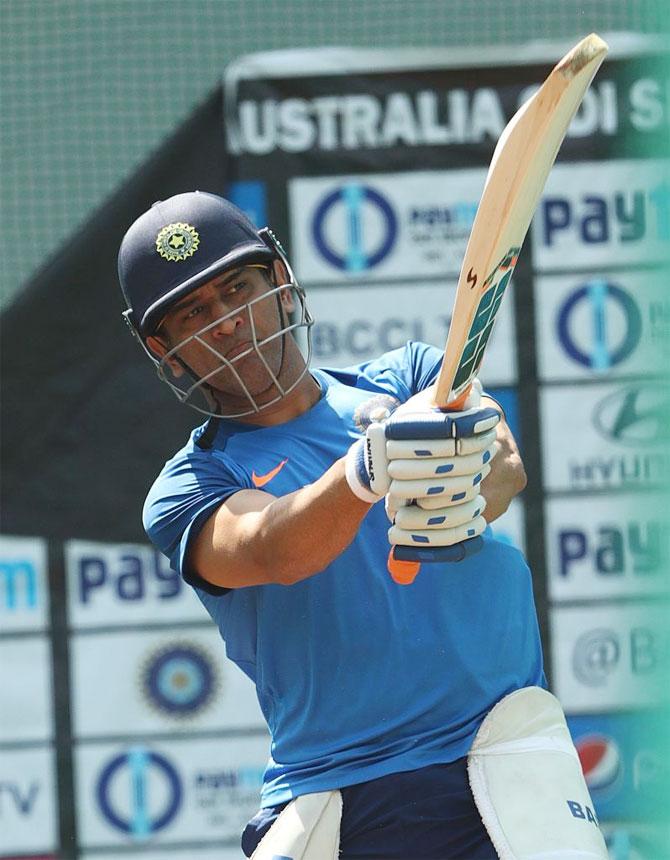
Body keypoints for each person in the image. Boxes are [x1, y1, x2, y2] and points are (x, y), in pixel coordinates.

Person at [118, 191, 607, 860]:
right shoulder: (188, 485)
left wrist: (455, 485)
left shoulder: (408, 376)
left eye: (237, 288)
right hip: (345, 796)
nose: (227, 323)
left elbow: (503, 465)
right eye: (194, 314)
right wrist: (366, 471)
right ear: (162, 347)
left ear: (281, 282)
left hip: (502, 758)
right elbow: (270, 549)